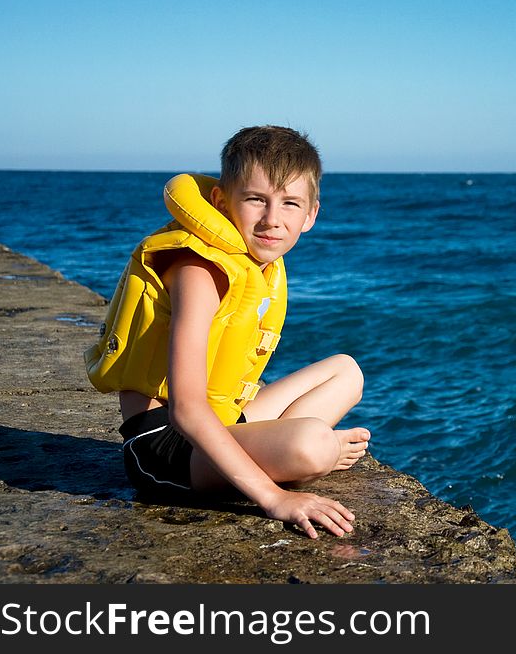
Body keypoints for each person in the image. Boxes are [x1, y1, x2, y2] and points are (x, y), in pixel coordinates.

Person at [85, 125, 370, 539]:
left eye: (290, 204)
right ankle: (294, 460)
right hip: (165, 448)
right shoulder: (198, 271)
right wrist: (276, 498)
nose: (272, 220)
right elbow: (185, 411)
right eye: (256, 200)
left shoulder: (256, 264)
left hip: (219, 424)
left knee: (346, 371)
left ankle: (290, 454)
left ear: (310, 215)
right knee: (315, 444)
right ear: (221, 201)